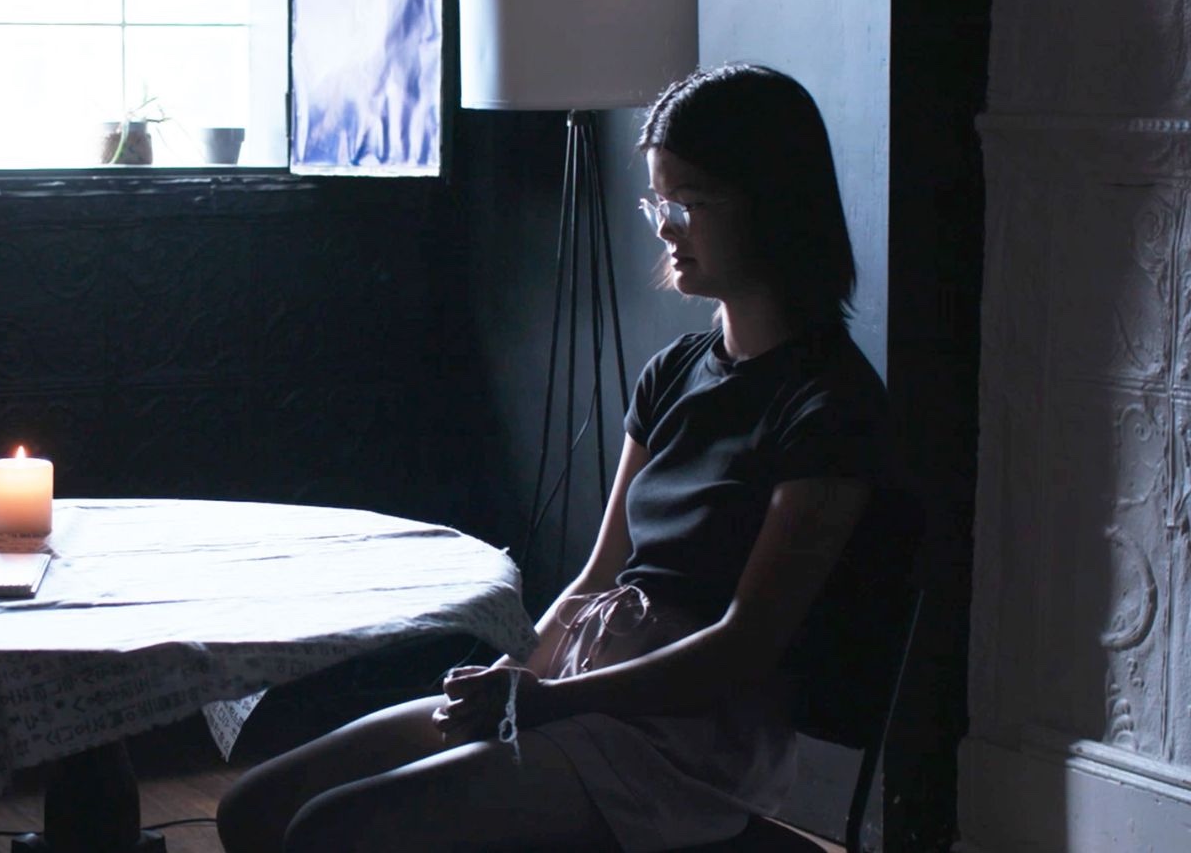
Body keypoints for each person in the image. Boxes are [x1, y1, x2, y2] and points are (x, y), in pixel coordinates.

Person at [216, 63, 911, 853]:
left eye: (686, 203)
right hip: (582, 680)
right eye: (657, 200)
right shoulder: (675, 372)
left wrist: (543, 705)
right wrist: (514, 676)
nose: (662, 225)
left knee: (331, 831)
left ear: (769, 206)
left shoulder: (828, 405)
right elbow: (596, 574)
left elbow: (744, 646)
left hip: (689, 737)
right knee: (256, 811)